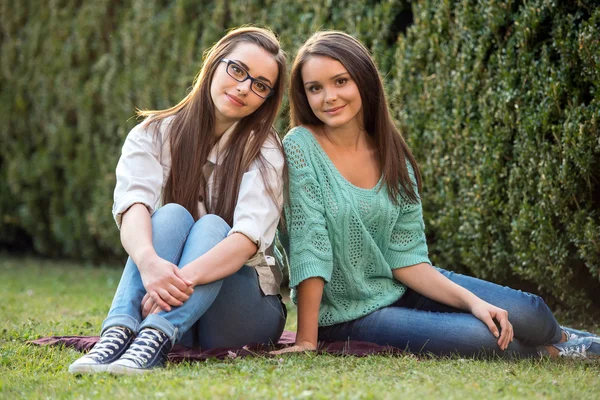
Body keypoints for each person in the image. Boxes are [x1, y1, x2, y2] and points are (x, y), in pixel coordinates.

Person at [274, 31, 599, 359]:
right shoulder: (301, 146)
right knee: (482, 337)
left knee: (530, 312)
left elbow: (407, 259)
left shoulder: (391, 153)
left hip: (402, 288)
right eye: (315, 88)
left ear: (364, 79)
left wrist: (474, 302)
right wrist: (307, 339)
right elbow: (309, 245)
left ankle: (569, 338)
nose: (329, 97)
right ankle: (559, 353)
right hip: (349, 315)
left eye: (340, 81)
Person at [69, 27, 288, 375]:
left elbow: (246, 240)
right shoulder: (152, 134)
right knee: (169, 214)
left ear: (267, 98)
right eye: (237, 70)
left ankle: (153, 337)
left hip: (239, 316)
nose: (245, 87)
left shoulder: (267, 151)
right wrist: (149, 264)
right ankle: (120, 332)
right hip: (176, 309)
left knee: (215, 226)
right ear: (214, 64)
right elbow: (133, 206)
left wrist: (173, 282)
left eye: (260, 85)